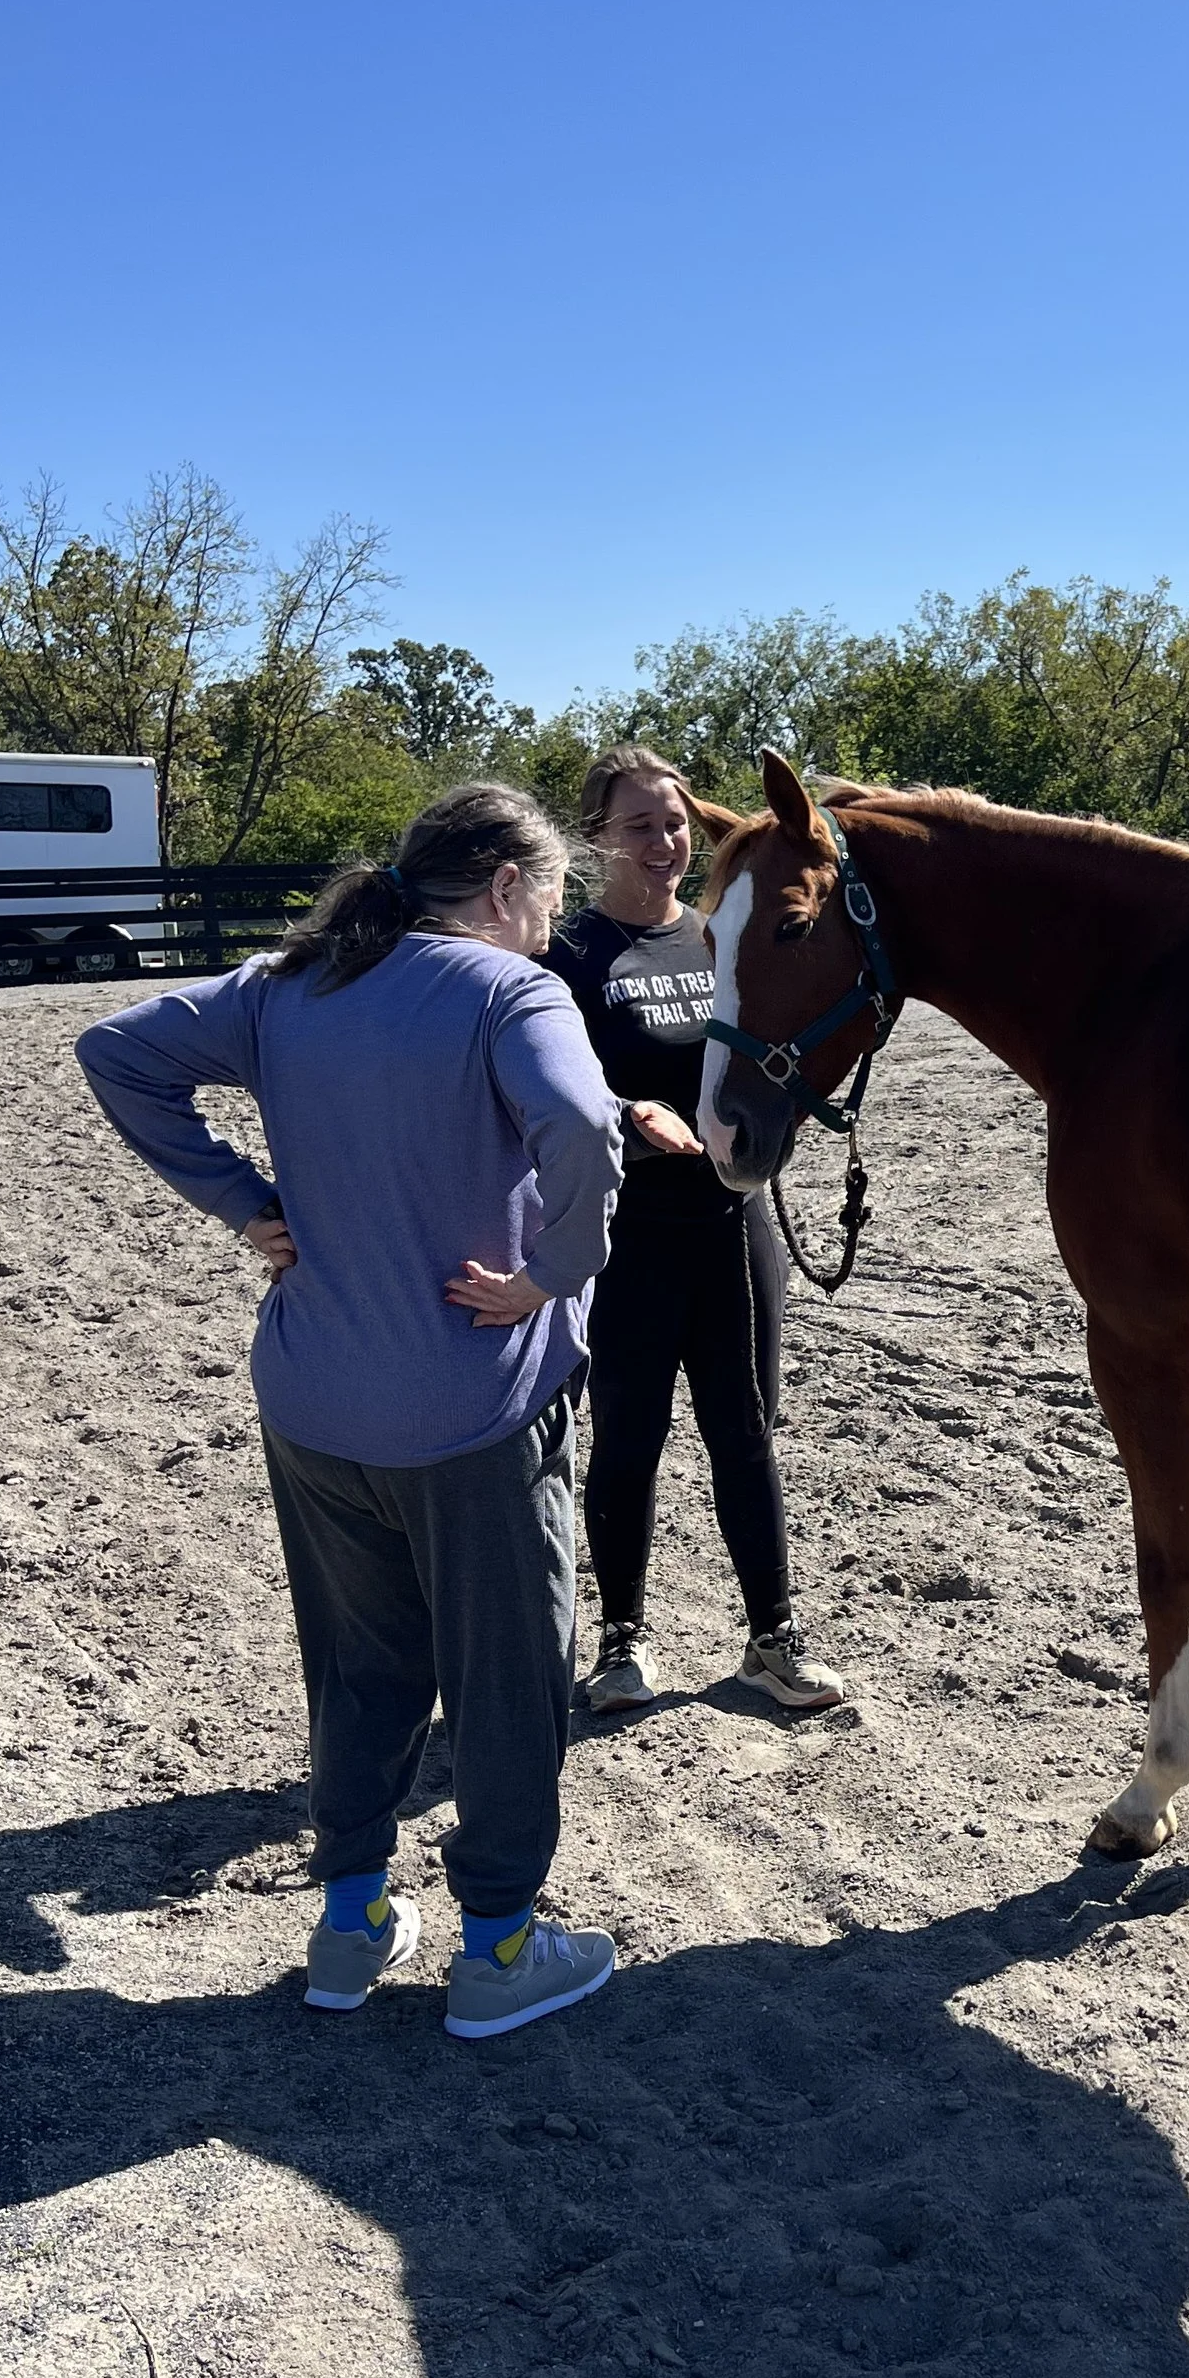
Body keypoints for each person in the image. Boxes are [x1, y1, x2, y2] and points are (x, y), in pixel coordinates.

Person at [74, 782, 624, 2039]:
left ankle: (351, 1924)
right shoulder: (508, 992)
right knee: (506, 1682)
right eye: (549, 896)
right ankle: (499, 1947)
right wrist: (554, 1272)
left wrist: (238, 1200)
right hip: (469, 1408)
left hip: (313, 1397)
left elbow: (115, 1051)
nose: (552, 922)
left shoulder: (288, 983)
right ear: (505, 889)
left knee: (360, 1667)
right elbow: (583, 1124)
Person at [546, 743, 847, 1717]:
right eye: (639, 825)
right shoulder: (570, 957)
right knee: (628, 1439)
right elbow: (538, 1090)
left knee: (746, 1435)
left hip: (731, 1225)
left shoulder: (721, 938)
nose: (665, 841)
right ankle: (622, 1641)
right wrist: (622, 1112)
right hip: (626, 1233)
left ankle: (773, 1636)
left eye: (674, 822)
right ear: (596, 837)